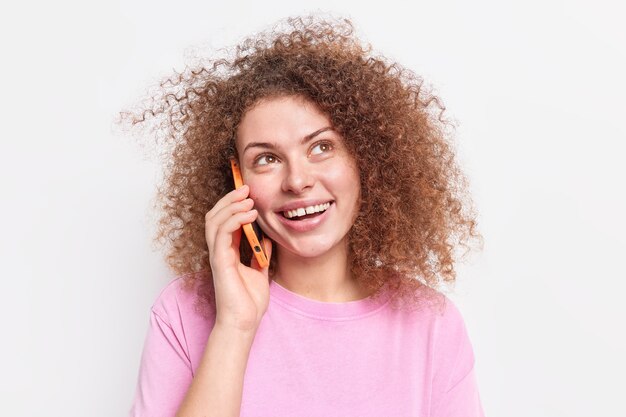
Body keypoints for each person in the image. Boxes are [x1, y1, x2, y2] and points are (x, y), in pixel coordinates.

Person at [124, 15, 484, 417]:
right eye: (266, 159)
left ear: (364, 158)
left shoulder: (431, 325)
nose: (297, 180)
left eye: (321, 148)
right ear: (237, 180)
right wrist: (235, 327)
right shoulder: (183, 312)